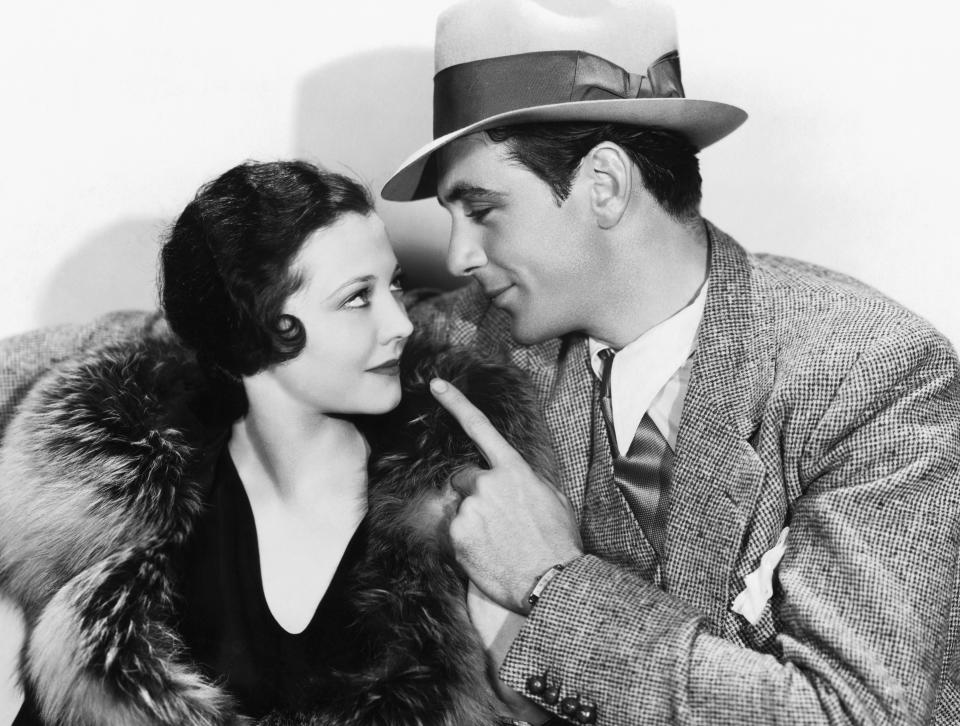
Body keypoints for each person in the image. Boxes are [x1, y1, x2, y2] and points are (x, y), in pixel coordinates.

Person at [378, 1, 960, 724]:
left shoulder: (876, 376)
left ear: (605, 183)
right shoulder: (467, 344)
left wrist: (552, 584)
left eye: (484, 210)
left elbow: (850, 716)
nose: (460, 253)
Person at [0, 160, 557, 725]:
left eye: (393, 285)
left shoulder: (469, 510)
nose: (402, 324)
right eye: (358, 298)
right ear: (259, 324)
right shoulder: (127, 522)